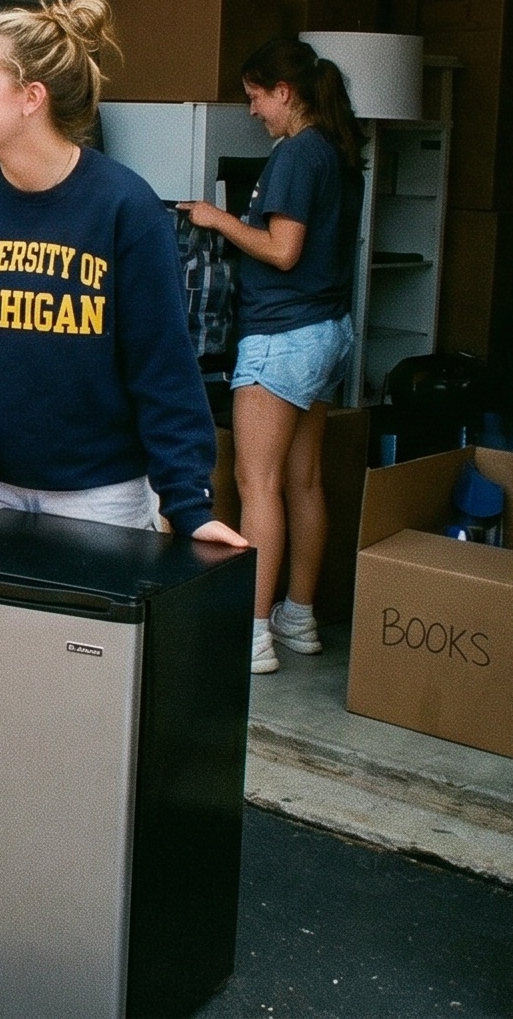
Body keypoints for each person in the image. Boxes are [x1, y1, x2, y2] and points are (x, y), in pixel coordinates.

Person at [0, 0, 248, 555]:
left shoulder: (124, 207)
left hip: (103, 500)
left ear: (30, 97)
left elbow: (162, 364)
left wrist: (187, 503)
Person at [185, 37, 364, 675]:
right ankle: (298, 617)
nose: (254, 110)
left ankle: (252, 635)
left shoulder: (296, 152)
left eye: (257, 97)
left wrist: (217, 218)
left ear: (284, 93)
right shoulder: (340, 153)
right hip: (326, 333)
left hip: (281, 336)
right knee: (304, 482)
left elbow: (283, 250)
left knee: (255, 484)